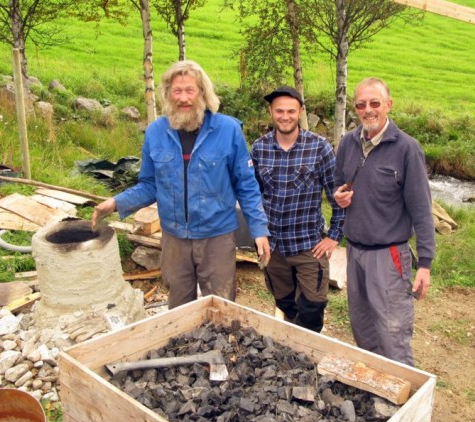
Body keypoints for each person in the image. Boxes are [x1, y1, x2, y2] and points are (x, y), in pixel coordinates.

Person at [91, 60, 271, 309]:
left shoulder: (227, 130)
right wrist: (114, 203)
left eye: (190, 90)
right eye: (177, 91)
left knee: (220, 304)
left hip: (216, 236)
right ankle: (184, 348)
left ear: (202, 93)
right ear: (167, 94)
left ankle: (222, 345)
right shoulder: (155, 132)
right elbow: (149, 185)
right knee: (178, 305)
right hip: (174, 237)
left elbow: (247, 185)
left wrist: (259, 230)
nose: (183, 98)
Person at [333, 77, 435, 366]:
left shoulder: (406, 149)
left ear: (388, 105)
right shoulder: (348, 144)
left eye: (375, 103)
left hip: (388, 255)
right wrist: (337, 197)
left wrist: (425, 264)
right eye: (361, 104)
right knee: (362, 328)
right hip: (354, 252)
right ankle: (378, 390)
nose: (368, 110)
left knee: (392, 332)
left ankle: (404, 401)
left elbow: (422, 211)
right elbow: (338, 186)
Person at [251, 86, 344, 333]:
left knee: (313, 307)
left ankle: (309, 351)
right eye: (279, 111)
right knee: (285, 302)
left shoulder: (319, 147)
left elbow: (337, 195)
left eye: (291, 111)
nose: (285, 116)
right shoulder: (259, 148)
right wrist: (258, 232)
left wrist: (334, 236)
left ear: (300, 112)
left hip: (308, 245)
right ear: (271, 112)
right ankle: (292, 347)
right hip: (274, 247)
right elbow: (253, 196)